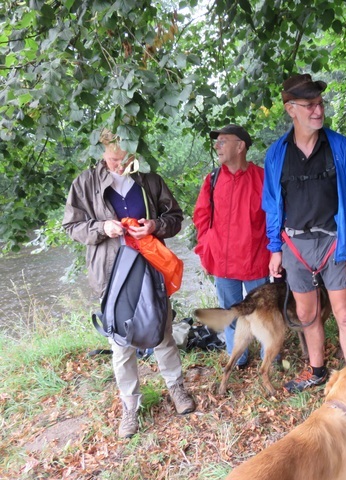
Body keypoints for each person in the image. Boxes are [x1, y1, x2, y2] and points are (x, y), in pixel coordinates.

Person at [63, 130, 195, 439]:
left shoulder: (149, 179)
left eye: (126, 160)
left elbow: (174, 217)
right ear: (103, 154)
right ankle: (130, 406)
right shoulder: (85, 183)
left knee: (162, 331)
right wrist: (101, 227)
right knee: (121, 344)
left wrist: (155, 225)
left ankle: (176, 389)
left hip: (150, 267)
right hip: (113, 274)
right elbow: (72, 226)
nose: (120, 167)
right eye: (113, 160)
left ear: (134, 153)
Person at [262, 73, 346, 393]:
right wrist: (274, 249)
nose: (318, 111)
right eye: (310, 105)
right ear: (290, 109)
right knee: (307, 314)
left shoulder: (339, 147)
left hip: (335, 243)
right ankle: (317, 371)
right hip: (295, 245)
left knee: (345, 314)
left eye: (320, 104)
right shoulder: (276, 154)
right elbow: (272, 204)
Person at [193, 124, 270, 369]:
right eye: (217, 142)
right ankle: (237, 358)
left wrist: (275, 253)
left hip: (256, 260)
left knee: (264, 313)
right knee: (230, 314)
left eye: (223, 141)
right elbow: (201, 218)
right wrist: (207, 251)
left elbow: (274, 219)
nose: (217, 146)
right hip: (224, 264)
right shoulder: (212, 180)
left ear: (240, 146)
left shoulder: (263, 178)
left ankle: (271, 357)